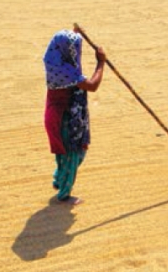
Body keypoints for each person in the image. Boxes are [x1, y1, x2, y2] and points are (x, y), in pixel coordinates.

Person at [43, 28, 106, 205]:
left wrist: (75, 34)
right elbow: (92, 85)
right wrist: (101, 63)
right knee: (72, 154)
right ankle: (64, 193)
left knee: (68, 154)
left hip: (59, 115)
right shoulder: (66, 72)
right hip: (64, 119)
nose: (77, 53)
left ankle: (59, 178)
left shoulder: (55, 61)